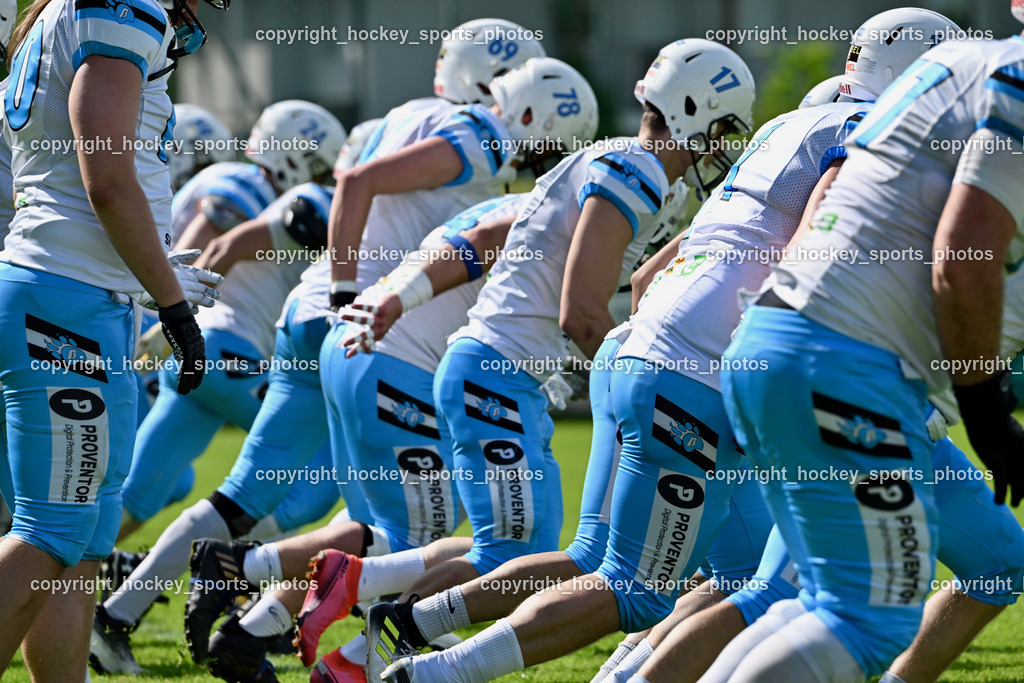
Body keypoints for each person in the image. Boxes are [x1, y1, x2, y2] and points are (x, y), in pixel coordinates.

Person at [351, 38, 753, 682]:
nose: (723, 143)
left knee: (589, 557)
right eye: (723, 126)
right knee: (579, 566)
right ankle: (395, 644)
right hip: (499, 370)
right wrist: (645, 379)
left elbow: (638, 280)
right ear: (691, 108)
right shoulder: (638, 169)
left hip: (503, 369)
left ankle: (398, 632)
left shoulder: (632, 169)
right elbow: (582, 314)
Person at [719, 5, 1024, 679]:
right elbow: (964, 255)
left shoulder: (954, 66)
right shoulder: (1015, 77)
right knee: (869, 618)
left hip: (780, 336)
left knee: (807, 601)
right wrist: (989, 412)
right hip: (846, 360)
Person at [0, 0, 223, 678]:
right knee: (52, 533)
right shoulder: (123, 5)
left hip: (79, 295)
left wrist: (145, 266)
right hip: (67, 301)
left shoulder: (57, 13)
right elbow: (108, 176)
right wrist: (173, 303)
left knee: (83, 545)